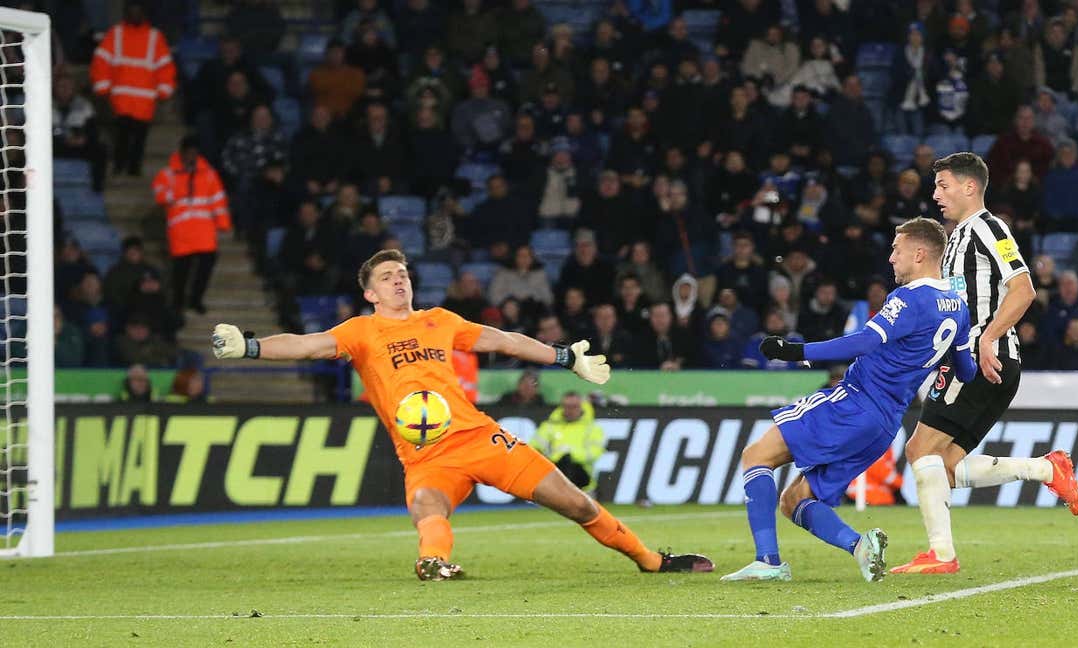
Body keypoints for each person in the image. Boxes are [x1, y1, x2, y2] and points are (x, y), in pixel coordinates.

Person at [211, 249, 711, 580]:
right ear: (370, 294)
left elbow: (505, 340)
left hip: (479, 438)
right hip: (427, 456)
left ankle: (649, 560)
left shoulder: (440, 321)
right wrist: (250, 346)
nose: (398, 281)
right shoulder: (359, 331)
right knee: (428, 508)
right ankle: (434, 564)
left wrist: (566, 358)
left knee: (577, 504)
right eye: (386, 277)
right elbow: (305, 345)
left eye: (402, 274)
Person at [721, 218, 976, 583]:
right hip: (884, 425)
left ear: (919, 254)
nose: (891, 258)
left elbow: (863, 342)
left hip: (853, 402)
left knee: (755, 456)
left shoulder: (909, 298)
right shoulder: (958, 307)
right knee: (794, 501)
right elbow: (965, 371)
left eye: (896, 250)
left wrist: (796, 351)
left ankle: (767, 561)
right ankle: (860, 546)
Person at [893, 153, 1078, 576]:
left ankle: (941, 554)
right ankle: (1047, 469)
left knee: (919, 449)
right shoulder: (957, 237)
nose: (935, 194)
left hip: (981, 359)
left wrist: (989, 337)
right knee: (944, 466)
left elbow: (1024, 288)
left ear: (969, 187)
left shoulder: (988, 228)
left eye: (942, 185)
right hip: (976, 359)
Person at [90, 1, 175, 177]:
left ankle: (132, 169)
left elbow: (164, 66)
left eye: (138, 11)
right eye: (132, 11)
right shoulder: (117, 34)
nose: (135, 15)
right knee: (122, 137)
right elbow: (101, 61)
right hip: (122, 100)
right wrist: (103, 87)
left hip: (143, 100)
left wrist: (164, 89)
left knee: (139, 139)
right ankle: (121, 167)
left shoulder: (154, 37)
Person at [152, 136, 231, 315]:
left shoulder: (209, 174)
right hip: (181, 232)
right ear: (182, 153)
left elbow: (217, 200)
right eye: (188, 153)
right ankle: (179, 301)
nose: (191, 156)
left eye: (194, 153)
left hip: (204, 232)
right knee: (181, 271)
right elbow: (160, 193)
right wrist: (173, 195)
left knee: (204, 269)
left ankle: (196, 300)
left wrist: (223, 223)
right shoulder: (168, 174)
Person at [531, 391, 606, 491]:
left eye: (574, 406)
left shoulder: (592, 429)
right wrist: (557, 455)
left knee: (568, 461)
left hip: (582, 478)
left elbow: (595, 453)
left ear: (581, 406)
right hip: (555, 471)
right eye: (567, 406)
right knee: (562, 463)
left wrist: (570, 453)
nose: (570, 410)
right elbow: (534, 448)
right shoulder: (549, 426)